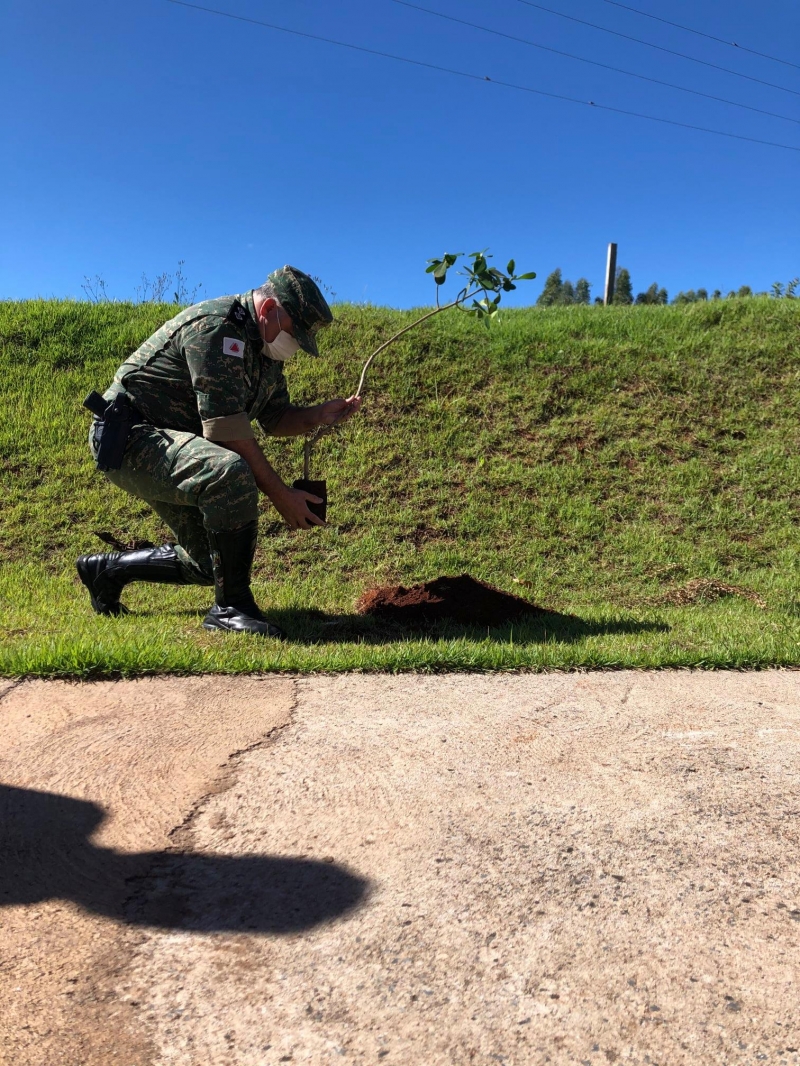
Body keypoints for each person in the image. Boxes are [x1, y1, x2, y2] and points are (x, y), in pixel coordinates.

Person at [76, 266, 360, 638]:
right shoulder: (217, 328)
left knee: (211, 564)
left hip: (172, 441)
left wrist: (317, 415)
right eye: (294, 332)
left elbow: (275, 419)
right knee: (229, 471)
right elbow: (226, 430)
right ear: (269, 309)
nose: (294, 345)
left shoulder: (265, 351)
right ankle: (230, 608)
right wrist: (282, 496)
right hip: (129, 437)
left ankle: (107, 571)